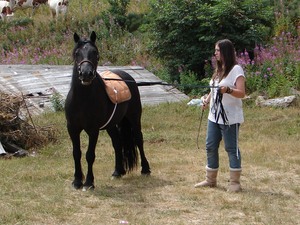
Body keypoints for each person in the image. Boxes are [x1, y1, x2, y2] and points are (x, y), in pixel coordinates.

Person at [194, 39, 246, 192]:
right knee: (210, 146)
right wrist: (206, 100)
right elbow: (214, 89)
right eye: (215, 50)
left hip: (230, 118)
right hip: (214, 116)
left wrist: (228, 90)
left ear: (225, 52)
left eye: (217, 50)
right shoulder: (218, 70)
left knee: (231, 148)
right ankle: (210, 180)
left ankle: (235, 183)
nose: (215, 53)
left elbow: (242, 93)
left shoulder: (236, 70)